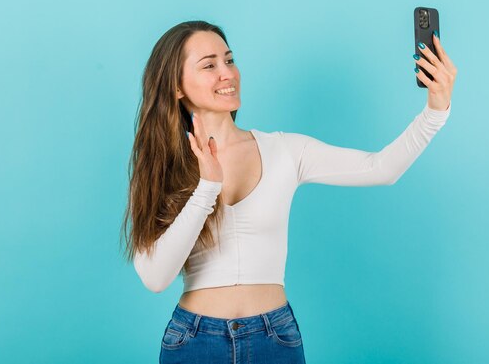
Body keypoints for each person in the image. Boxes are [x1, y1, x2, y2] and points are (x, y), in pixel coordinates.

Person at [120, 20, 457, 363]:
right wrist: (207, 187)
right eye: (209, 65)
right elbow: (156, 277)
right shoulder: (160, 166)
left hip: (273, 338)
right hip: (194, 342)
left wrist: (435, 110)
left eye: (229, 60)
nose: (227, 73)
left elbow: (382, 168)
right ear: (177, 87)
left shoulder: (284, 151)